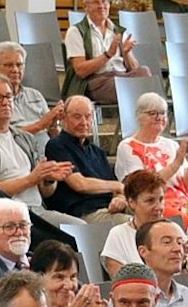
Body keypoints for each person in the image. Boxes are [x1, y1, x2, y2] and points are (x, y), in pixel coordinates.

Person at [0, 73, 71, 208]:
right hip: (6, 214)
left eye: (8, 96)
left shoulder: (25, 138)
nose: (5, 102)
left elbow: (46, 193)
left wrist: (48, 179)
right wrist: (30, 180)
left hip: (38, 210)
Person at [112, 92, 188, 222]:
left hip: (183, 200)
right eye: (153, 113)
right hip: (155, 203)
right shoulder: (127, 146)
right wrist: (175, 165)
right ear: (139, 117)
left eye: (163, 113)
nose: (159, 118)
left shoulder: (171, 145)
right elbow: (142, 187)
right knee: (186, 218)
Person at [43, 95, 127, 223]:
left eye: (88, 116)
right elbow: (80, 184)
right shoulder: (56, 146)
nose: (84, 122)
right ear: (64, 117)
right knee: (134, 224)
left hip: (109, 209)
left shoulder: (97, 152)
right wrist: (117, 186)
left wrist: (120, 199)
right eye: (77, 117)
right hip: (83, 213)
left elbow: (116, 189)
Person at [62, 0, 150, 102]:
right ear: (85, 6)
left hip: (121, 76)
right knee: (135, 90)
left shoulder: (118, 31)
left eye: (104, 2)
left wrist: (127, 53)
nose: (101, 6)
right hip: (97, 81)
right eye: (96, 2)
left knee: (144, 71)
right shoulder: (76, 32)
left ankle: (142, 104)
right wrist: (108, 55)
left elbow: (134, 68)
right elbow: (81, 70)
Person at [102, 168, 167, 278]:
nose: (159, 207)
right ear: (132, 202)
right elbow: (120, 281)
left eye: (161, 200)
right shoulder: (118, 235)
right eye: (150, 201)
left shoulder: (174, 231)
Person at [0, 41, 60, 136]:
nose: (15, 70)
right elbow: (6, 135)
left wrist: (53, 125)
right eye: (9, 65)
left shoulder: (35, 95)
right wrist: (40, 125)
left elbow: (54, 135)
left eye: (19, 65)